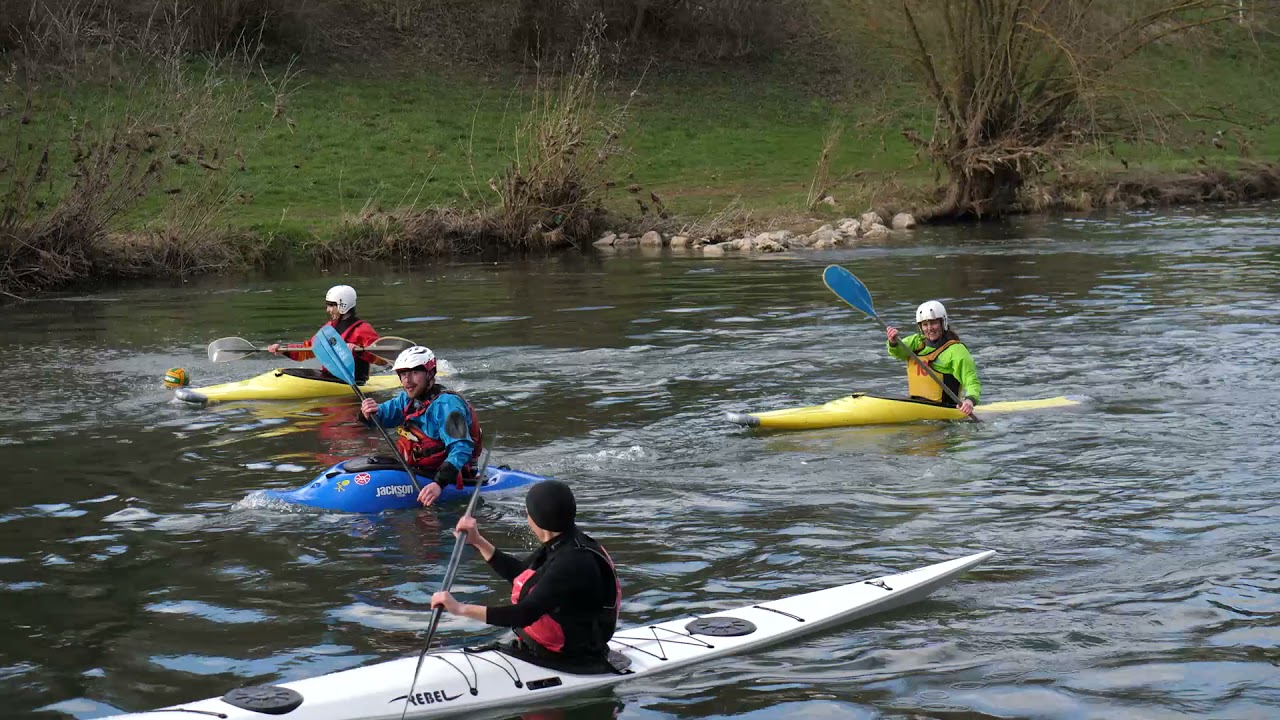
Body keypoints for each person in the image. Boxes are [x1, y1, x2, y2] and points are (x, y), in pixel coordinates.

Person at [430, 480, 622, 674]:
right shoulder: (565, 541)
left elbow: (524, 614)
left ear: (538, 520)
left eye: (528, 513)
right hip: (560, 645)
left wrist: (460, 609)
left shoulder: (571, 563)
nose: (527, 518)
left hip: (570, 658)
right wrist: (478, 541)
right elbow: (523, 574)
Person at [358, 346, 482, 506]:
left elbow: (461, 448)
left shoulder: (447, 405)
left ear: (430, 373)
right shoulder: (406, 400)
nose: (407, 381)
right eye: (403, 374)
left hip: (445, 477)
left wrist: (439, 484)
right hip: (421, 471)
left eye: (415, 373)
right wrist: (367, 412)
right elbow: (381, 416)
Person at [268, 284, 383, 383]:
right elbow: (308, 349)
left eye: (331, 305)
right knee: (286, 373)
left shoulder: (363, 329)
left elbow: (382, 360)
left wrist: (360, 351)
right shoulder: (329, 328)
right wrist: (284, 350)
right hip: (330, 377)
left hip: (354, 380)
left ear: (343, 305)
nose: (327, 310)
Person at [885, 300, 982, 416]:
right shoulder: (916, 342)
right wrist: (893, 342)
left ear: (943, 323)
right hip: (916, 406)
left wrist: (969, 401)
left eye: (933, 323)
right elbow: (897, 352)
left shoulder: (956, 350)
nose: (929, 328)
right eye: (925, 325)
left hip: (945, 414)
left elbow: (971, 380)